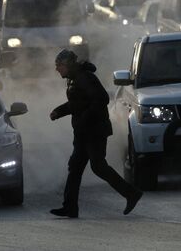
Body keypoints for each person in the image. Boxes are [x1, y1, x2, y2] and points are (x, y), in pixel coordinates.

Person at [49, 49, 143, 218]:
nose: (57, 69)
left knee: (98, 166)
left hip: (93, 131)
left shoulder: (85, 78)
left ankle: (131, 193)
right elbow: (77, 103)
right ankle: (70, 207)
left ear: (68, 65)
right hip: (83, 132)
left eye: (59, 65)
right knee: (75, 167)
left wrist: (85, 119)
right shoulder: (75, 79)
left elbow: (101, 99)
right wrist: (59, 111)